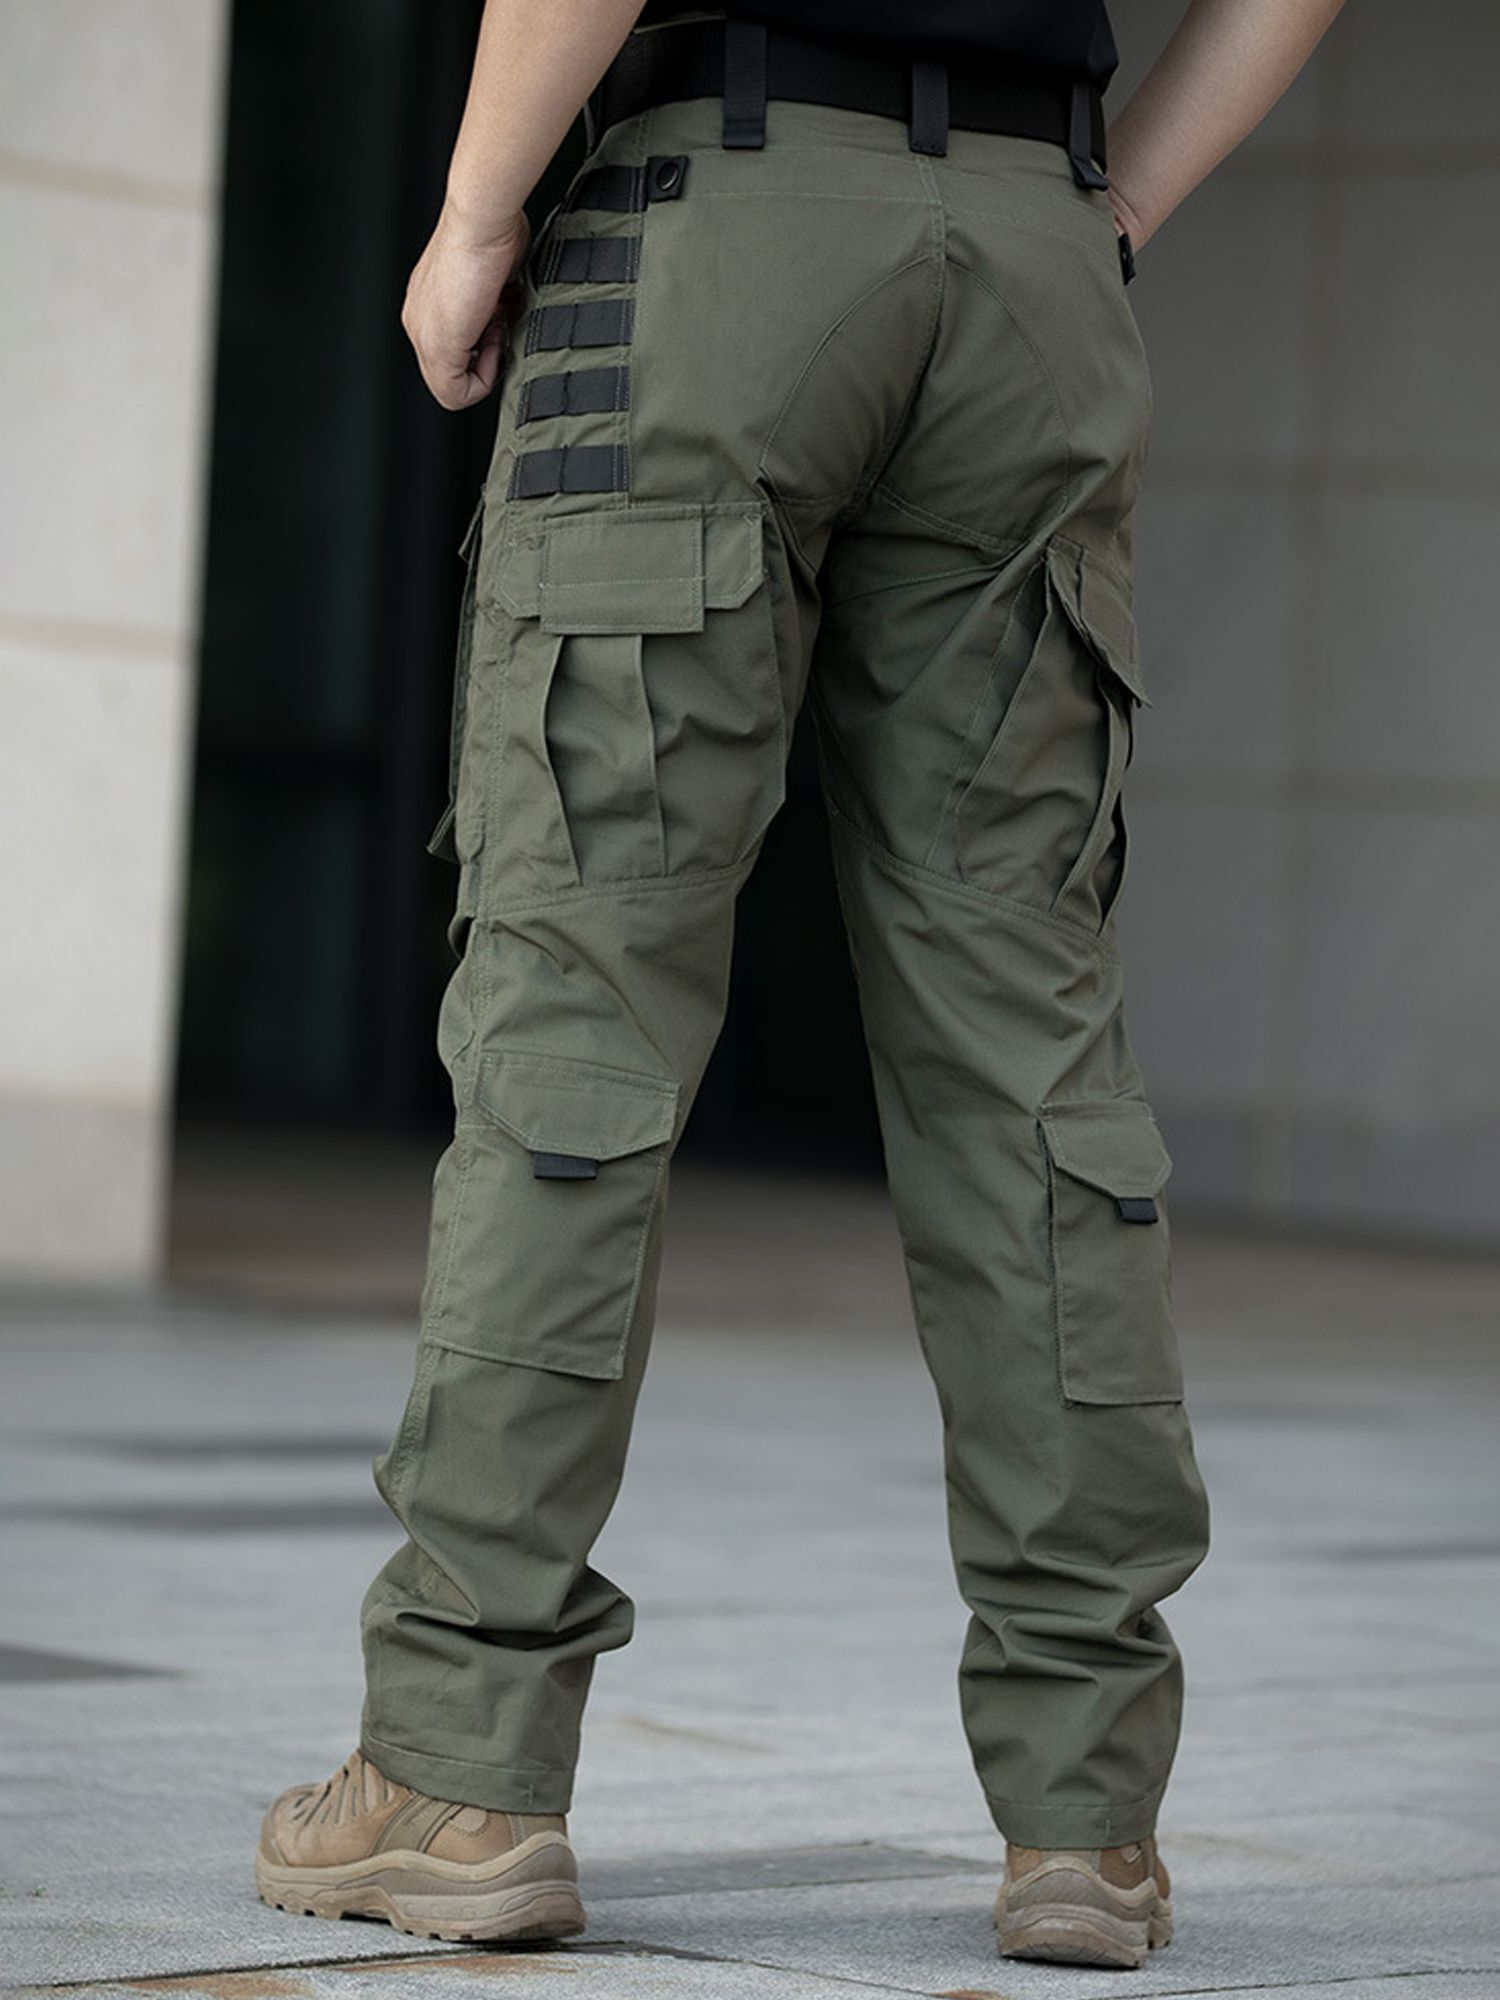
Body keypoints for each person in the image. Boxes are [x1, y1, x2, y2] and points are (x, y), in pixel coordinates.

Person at [255, 0, 1345, 1970]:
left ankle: (461, 1768)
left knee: (578, 1016)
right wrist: (1115, 198)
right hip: (1034, 263)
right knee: (1028, 1052)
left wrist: (479, 208)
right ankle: (1086, 1816)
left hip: (713, 232)